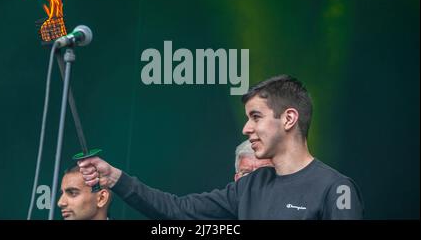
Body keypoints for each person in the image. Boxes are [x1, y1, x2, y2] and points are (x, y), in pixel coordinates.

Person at [78, 75, 364, 219]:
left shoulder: (336, 189)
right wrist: (113, 177)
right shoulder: (249, 187)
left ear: (289, 118)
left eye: (256, 117)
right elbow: (177, 210)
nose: (246, 128)